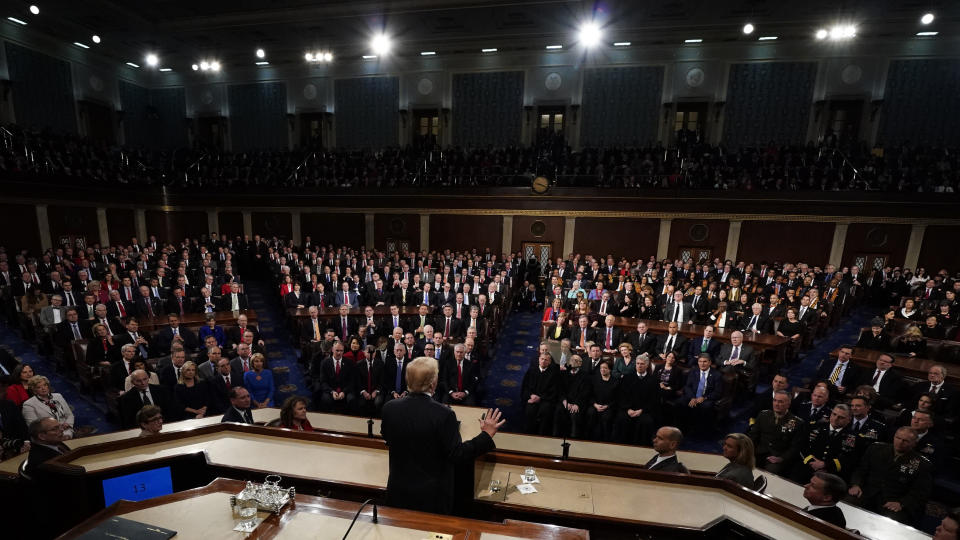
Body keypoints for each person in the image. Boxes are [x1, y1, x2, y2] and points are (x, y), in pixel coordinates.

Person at [380, 356, 505, 515]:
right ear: (433, 384)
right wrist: (486, 435)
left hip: (397, 491)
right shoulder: (443, 414)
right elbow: (457, 454)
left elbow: (387, 436)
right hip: (431, 498)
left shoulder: (389, 408)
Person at [847, 427, 932, 525]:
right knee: (848, 502)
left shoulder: (922, 464)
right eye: (898, 438)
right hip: (866, 493)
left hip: (892, 501)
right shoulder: (875, 448)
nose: (900, 442)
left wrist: (902, 503)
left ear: (914, 443)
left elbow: (920, 491)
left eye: (905, 441)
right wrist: (855, 485)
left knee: (892, 521)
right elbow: (861, 470)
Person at [792, 404, 856, 483]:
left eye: (841, 417)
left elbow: (848, 458)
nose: (835, 419)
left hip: (831, 474)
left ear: (849, 420)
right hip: (807, 466)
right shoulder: (814, 426)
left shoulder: (852, 437)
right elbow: (801, 446)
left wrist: (825, 465)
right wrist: (812, 462)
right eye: (834, 414)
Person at [749, 390, 802, 475]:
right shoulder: (763, 415)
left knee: (770, 472)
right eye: (775, 400)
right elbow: (753, 435)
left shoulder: (797, 422)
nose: (776, 404)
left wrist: (781, 458)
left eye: (780, 402)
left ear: (788, 404)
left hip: (777, 456)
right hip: (758, 452)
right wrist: (748, 450)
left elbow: (795, 447)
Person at [21, 375, 75, 440]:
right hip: (47, 437)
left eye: (45, 385)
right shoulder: (28, 404)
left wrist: (68, 425)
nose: (43, 388)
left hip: (66, 431)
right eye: (39, 387)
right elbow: (34, 428)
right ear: (34, 390)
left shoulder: (58, 396)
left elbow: (69, 415)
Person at [521, 351, 560, 435]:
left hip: (546, 400)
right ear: (539, 359)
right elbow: (525, 386)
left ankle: (541, 435)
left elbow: (554, 391)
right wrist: (531, 395)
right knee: (530, 410)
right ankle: (528, 434)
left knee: (545, 411)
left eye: (546, 360)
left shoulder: (554, 374)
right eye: (542, 359)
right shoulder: (532, 371)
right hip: (532, 398)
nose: (543, 361)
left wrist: (540, 398)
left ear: (549, 362)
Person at [586, 359, 618, 441]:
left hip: (609, 406)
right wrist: (595, 404)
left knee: (606, 417)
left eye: (605, 368)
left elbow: (616, 398)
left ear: (610, 370)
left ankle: (605, 440)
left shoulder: (615, 381)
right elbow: (590, 394)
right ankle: (590, 439)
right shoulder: (594, 379)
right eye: (601, 368)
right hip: (595, 404)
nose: (602, 370)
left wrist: (607, 406)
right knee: (591, 413)